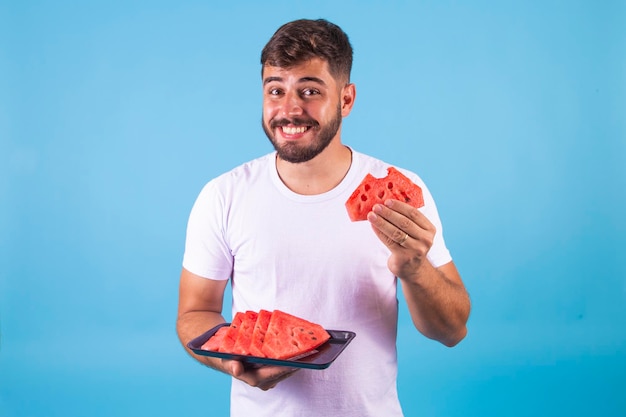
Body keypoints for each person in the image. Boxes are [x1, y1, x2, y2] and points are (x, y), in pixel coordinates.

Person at [176, 18, 470, 417]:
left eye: (310, 91)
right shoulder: (223, 195)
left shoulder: (399, 196)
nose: (289, 109)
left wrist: (415, 268)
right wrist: (230, 361)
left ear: (346, 100)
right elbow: (195, 313)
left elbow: (452, 330)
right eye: (275, 90)